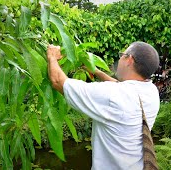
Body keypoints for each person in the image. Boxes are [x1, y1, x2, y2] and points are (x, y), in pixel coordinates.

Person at [47, 41, 160, 170]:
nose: (119, 58)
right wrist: (95, 71)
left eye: (122, 55)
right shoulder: (151, 90)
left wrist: (52, 56)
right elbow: (119, 86)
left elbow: (58, 81)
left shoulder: (112, 95)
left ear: (129, 59)